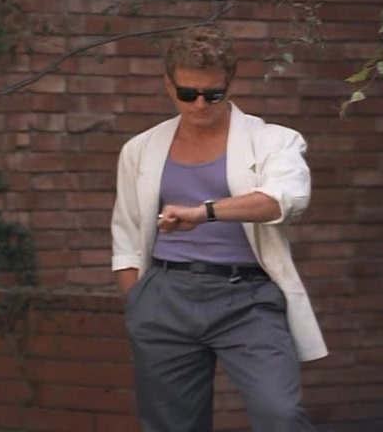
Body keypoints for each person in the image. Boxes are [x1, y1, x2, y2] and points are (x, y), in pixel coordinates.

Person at [111, 25, 328, 432]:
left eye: (212, 94)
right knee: (172, 425)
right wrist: (139, 302)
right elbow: (125, 233)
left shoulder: (274, 141)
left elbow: (284, 199)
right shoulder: (140, 148)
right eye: (187, 93)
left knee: (280, 414)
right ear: (168, 84)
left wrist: (204, 213)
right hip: (165, 296)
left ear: (230, 84)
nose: (199, 104)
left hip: (247, 296)